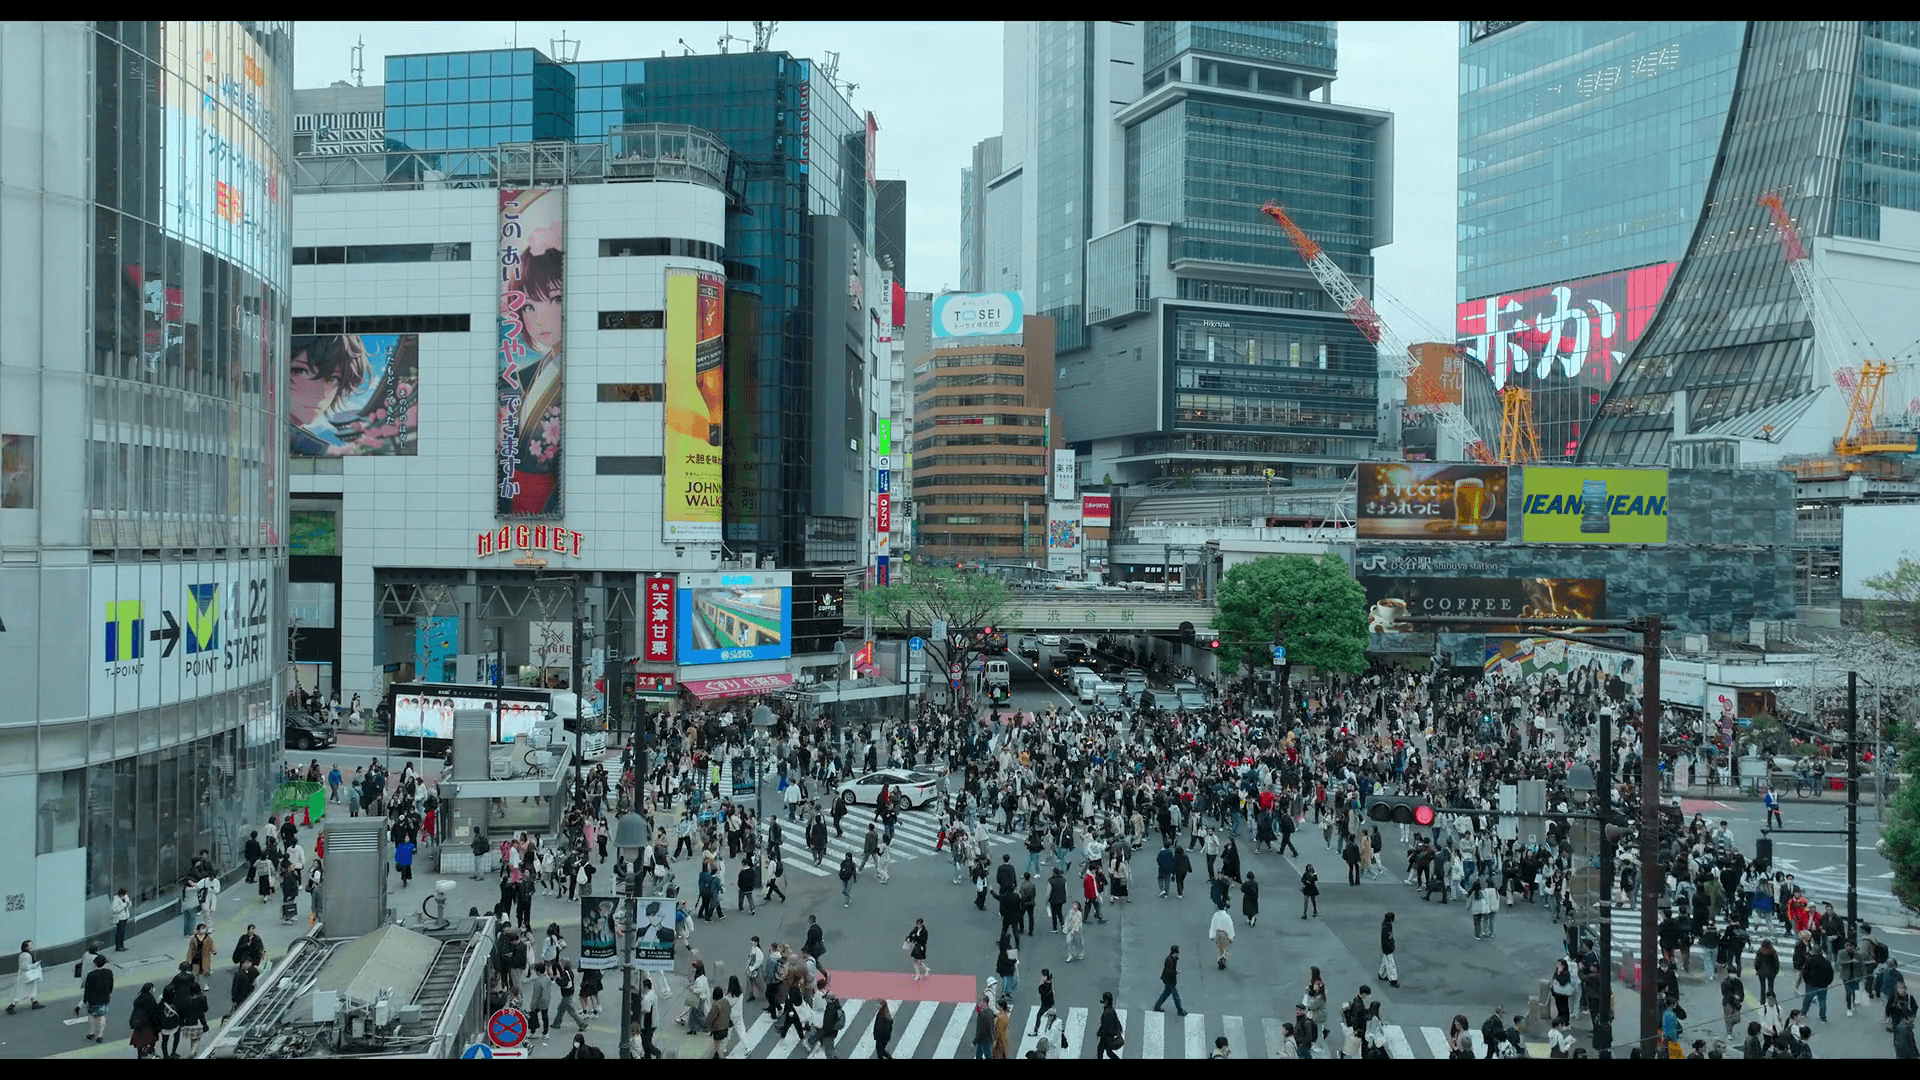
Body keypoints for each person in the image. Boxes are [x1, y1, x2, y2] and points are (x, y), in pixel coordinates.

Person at [81, 954, 113, 1043]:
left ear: (95, 964)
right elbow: (111, 985)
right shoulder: (108, 972)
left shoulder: (91, 975)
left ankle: (91, 1032)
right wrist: (108, 993)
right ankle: (100, 1035)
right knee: (102, 1015)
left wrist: (85, 999)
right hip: (104, 997)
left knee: (91, 1015)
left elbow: (87, 989)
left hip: (92, 999)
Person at [128, 982, 161, 1059]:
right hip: (149, 1025)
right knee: (150, 1041)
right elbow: (154, 1013)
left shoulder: (138, 999)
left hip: (139, 1025)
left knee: (139, 1042)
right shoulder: (151, 999)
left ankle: (140, 1055)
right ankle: (150, 1053)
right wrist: (158, 1025)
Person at [1152, 945, 1188, 1015]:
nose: (1178, 954)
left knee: (1165, 994)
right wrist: (1176, 972)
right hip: (1170, 981)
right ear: (1174, 953)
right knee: (1176, 997)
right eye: (1177, 953)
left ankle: (1157, 1006)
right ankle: (1180, 1011)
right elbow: (1169, 972)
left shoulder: (1172, 959)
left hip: (1168, 981)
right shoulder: (1170, 961)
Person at [8, 939, 42, 1013]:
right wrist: (35, 965)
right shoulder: (26, 956)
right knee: (22, 991)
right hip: (26, 976)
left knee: (30, 989)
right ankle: (12, 1006)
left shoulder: (24, 955)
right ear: (26, 947)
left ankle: (34, 1002)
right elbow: (25, 967)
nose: (31, 947)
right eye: (30, 945)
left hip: (26, 976)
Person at [1095, 991, 1124, 1059]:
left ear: (1107, 1001)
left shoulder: (1107, 1012)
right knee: (1108, 1052)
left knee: (1100, 1051)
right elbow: (1116, 1021)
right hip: (1109, 1036)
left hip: (1107, 1036)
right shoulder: (1110, 1010)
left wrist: (1099, 1032)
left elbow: (1105, 1025)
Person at [1379, 912, 1399, 987]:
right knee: (1391, 964)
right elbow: (1387, 939)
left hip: (1386, 947)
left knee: (1385, 960)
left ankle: (1382, 974)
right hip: (1388, 947)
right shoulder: (1387, 928)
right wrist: (1390, 947)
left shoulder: (1386, 925)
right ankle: (1393, 980)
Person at [112, 888, 132, 952]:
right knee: (119, 932)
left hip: (125, 917)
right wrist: (124, 904)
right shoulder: (116, 900)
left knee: (122, 932)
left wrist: (128, 903)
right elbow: (115, 909)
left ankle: (122, 945)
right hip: (120, 918)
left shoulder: (125, 897)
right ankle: (118, 946)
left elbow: (129, 905)